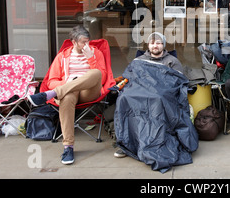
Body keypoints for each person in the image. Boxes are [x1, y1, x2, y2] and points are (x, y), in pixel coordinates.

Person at [28, 25, 107, 164]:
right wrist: (68, 81)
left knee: (96, 72)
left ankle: (51, 94)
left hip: (89, 92)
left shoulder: (95, 53)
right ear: (74, 42)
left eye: (88, 41)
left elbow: (103, 77)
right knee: (68, 96)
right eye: (83, 42)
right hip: (70, 91)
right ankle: (68, 147)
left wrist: (91, 59)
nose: (86, 45)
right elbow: (51, 81)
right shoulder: (62, 57)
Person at [114, 31, 183, 158]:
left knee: (158, 98)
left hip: (160, 95)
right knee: (123, 98)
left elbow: (178, 82)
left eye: (158, 43)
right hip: (139, 93)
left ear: (163, 45)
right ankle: (126, 143)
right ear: (148, 45)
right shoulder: (138, 60)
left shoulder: (172, 61)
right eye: (152, 43)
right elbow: (129, 77)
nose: (155, 46)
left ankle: (155, 143)